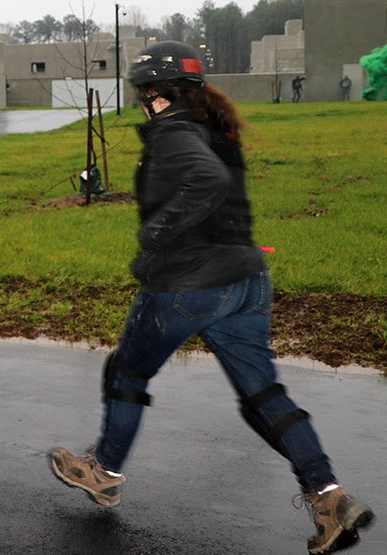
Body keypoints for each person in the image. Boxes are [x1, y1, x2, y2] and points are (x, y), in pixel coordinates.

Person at [48, 41, 374, 555]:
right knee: (263, 397)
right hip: (246, 281)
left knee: (127, 372)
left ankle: (103, 471)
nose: (141, 101)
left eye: (142, 92)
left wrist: (157, 233)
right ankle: (328, 497)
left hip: (188, 285)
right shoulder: (212, 127)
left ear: (155, 93)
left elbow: (208, 180)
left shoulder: (175, 132)